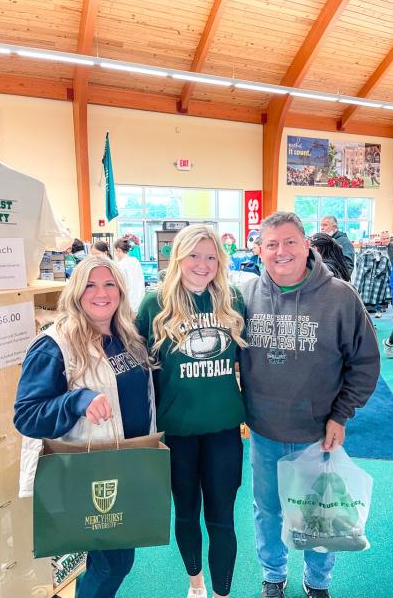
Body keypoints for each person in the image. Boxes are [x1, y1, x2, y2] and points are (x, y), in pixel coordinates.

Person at [239, 212, 380, 598]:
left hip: (320, 433)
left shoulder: (340, 297)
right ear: (259, 251)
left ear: (306, 246)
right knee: (267, 511)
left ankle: (317, 581)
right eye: (271, 244)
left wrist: (341, 414)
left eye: (289, 242)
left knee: (321, 514)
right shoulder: (246, 295)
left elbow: (365, 362)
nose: (280, 251)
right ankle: (273, 575)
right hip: (265, 432)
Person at [13, 256, 156, 598]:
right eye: (90, 285)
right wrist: (76, 401)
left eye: (109, 284)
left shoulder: (127, 336)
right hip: (88, 472)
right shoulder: (55, 344)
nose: (101, 293)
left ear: (121, 291)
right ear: (76, 292)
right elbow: (26, 415)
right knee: (113, 563)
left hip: (127, 465)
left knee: (110, 560)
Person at [137, 224, 246, 598]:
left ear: (221, 260)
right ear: (178, 257)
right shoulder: (154, 304)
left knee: (222, 519)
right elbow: (141, 371)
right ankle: (195, 583)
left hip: (223, 430)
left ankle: (222, 593)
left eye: (211, 256)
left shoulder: (233, 301)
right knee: (185, 513)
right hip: (176, 432)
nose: (203, 264)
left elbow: (251, 365)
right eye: (194, 256)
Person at [114, 237, 145, 314]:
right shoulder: (135, 261)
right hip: (139, 304)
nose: (115, 253)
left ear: (118, 250)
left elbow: (121, 286)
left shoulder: (120, 265)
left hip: (127, 306)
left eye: (115, 251)